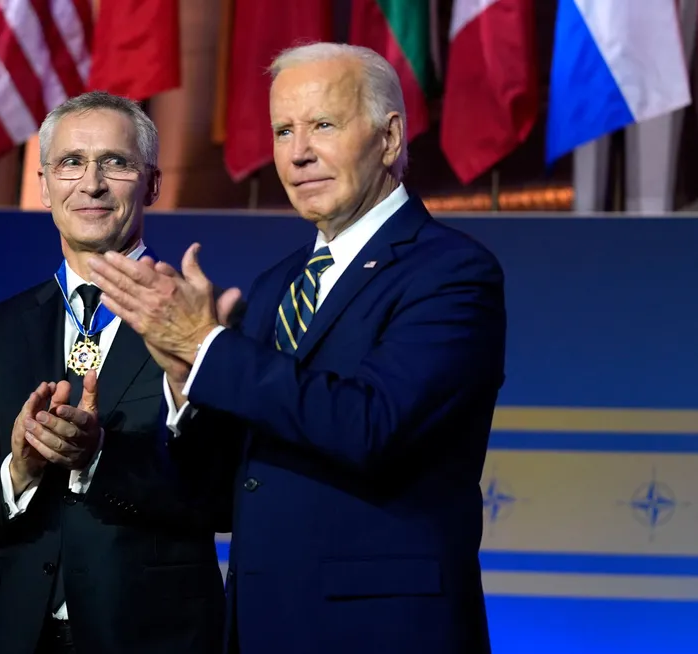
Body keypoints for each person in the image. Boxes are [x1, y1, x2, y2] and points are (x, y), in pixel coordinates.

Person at [88, 43, 507, 653]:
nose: (298, 152)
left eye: (323, 125)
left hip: (381, 634)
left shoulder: (452, 273)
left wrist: (207, 346)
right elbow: (229, 488)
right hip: (260, 626)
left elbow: (371, 426)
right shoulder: (276, 284)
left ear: (389, 139)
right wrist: (186, 384)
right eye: (283, 130)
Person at [0, 91, 232, 654]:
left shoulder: (199, 314)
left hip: (154, 638)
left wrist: (98, 458)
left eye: (115, 162)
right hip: (19, 637)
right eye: (71, 162)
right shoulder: (1, 328)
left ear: (153, 184)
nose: (90, 183)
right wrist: (17, 469)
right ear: (44, 187)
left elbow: (221, 496)